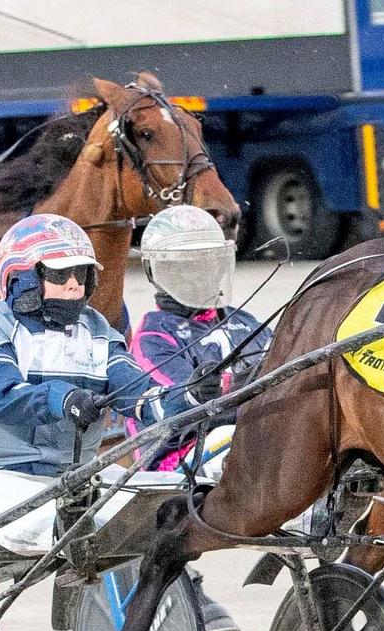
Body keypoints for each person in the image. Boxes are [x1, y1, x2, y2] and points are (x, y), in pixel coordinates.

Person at [0, 213, 238, 631]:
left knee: (167, 502)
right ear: (21, 279)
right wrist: (63, 399)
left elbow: (140, 397)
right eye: (61, 275)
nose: (76, 286)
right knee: (83, 522)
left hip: (76, 483)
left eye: (81, 274)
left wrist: (189, 395)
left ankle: (164, 611)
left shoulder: (98, 331)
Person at [132, 206, 328, 536]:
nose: (202, 274)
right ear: (161, 271)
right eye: (189, 266)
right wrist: (229, 385)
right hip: (179, 455)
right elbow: (177, 405)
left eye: (208, 263)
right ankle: (302, 511)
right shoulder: (154, 335)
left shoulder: (244, 320)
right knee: (232, 436)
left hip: (253, 436)